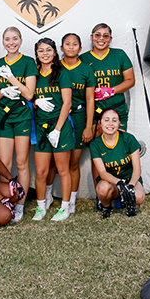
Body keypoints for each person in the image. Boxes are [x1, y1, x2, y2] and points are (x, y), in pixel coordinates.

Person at [44, 33, 96, 214]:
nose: (71, 47)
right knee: (51, 161)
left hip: (79, 117)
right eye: (67, 44)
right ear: (61, 48)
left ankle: (71, 200)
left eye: (75, 44)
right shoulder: (53, 67)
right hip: (56, 118)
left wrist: (89, 125)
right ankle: (48, 196)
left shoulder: (86, 70)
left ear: (81, 49)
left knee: (73, 162)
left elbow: (90, 99)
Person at [0, 26, 36, 223]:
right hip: (4, 118)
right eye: (7, 39)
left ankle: (20, 204)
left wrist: (11, 79)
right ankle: (5, 202)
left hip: (22, 116)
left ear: (21, 40)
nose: (11, 42)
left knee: (22, 163)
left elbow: (29, 93)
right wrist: (3, 93)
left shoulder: (28, 62)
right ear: (3, 42)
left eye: (15, 38)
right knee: (4, 164)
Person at [30, 37, 73, 221]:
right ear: (36, 54)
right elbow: (27, 95)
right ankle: (41, 206)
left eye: (48, 50)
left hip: (59, 126)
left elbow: (67, 103)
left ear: (55, 52)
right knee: (41, 171)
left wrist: (57, 129)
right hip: (41, 127)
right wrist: (35, 101)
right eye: (41, 50)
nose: (45, 54)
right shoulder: (34, 74)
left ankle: (65, 207)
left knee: (63, 170)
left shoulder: (62, 73)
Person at [89, 107, 146, 218]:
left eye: (114, 120)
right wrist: (119, 183)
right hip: (112, 182)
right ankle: (106, 206)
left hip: (129, 179)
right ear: (100, 123)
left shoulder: (129, 139)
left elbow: (137, 169)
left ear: (119, 123)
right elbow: (102, 173)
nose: (110, 123)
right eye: (106, 120)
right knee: (102, 189)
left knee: (138, 197)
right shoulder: (95, 144)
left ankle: (128, 202)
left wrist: (130, 186)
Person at [80, 23, 135, 132]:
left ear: (110, 39)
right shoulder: (83, 59)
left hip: (117, 108)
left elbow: (130, 80)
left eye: (105, 36)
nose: (101, 39)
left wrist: (112, 90)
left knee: (118, 145)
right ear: (91, 37)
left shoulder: (119, 55)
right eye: (97, 35)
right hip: (94, 111)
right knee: (99, 146)